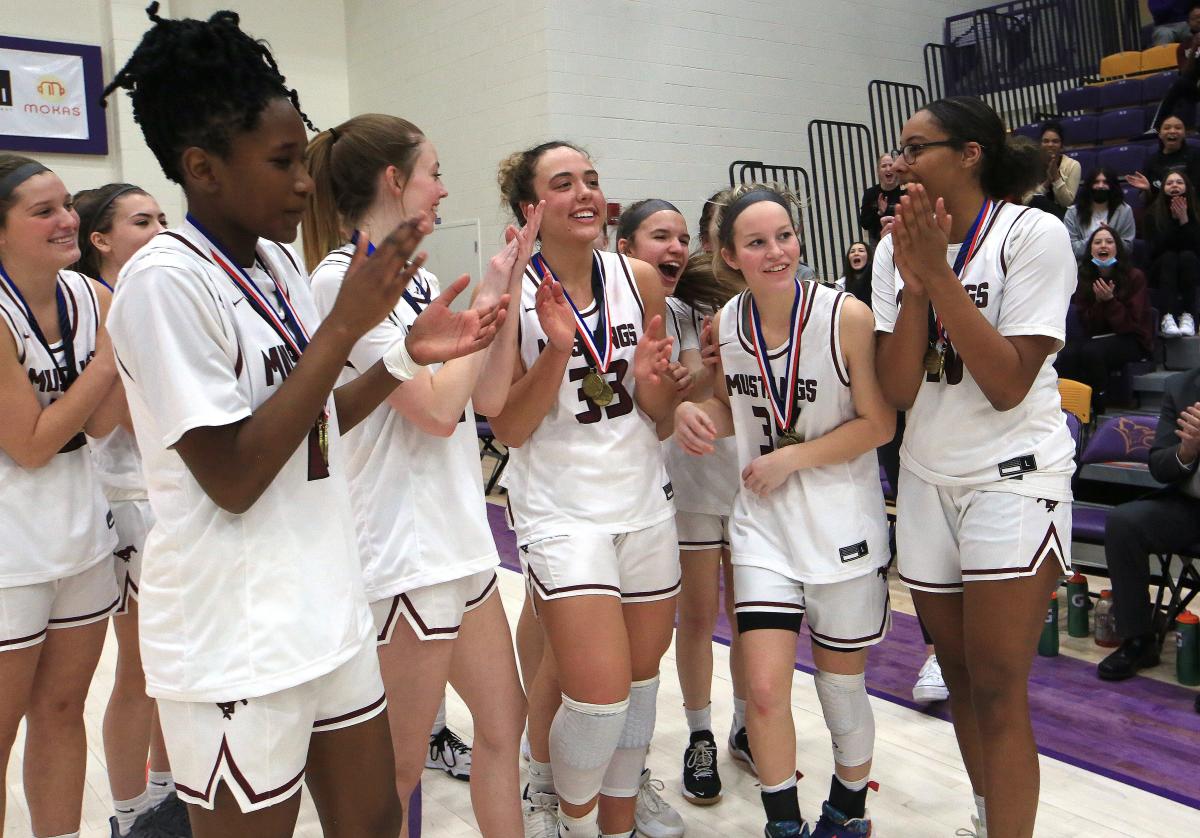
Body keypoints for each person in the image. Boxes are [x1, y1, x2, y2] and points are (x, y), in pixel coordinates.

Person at [101, 6, 503, 835]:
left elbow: (312, 423)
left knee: (375, 820)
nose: (304, 181)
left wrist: (401, 357)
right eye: (283, 162)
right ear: (202, 168)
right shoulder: (163, 281)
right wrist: (349, 329)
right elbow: (237, 476)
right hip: (233, 634)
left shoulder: (280, 262)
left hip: (329, 603)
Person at [303, 112, 538, 835]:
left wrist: (503, 287)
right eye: (433, 172)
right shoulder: (340, 280)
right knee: (398, 769)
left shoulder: (418, 279)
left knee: (506, 729)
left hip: (459, 539)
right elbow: (434, 410)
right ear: (394, 180)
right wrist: (473, 321)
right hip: (403, 552)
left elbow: (486, 400)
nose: (442, 188)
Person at [873, 96, 1077, 838]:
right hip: (928, 478)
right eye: (898, 148)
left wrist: (938, 274)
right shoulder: (903, 246)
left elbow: (1006, 382)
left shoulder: (1035, 234)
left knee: (997, 685)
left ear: (969, 155)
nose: (900, 165)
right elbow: (897, 391)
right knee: (958, 680)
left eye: (917, 147)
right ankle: (991, 819)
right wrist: (916, 280)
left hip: (1014, 473)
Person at [676, 183, 894, 838]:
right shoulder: (727, 325)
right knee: (765, 691)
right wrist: (696, 415)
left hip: (840, 525)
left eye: (785, 237)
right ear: (729, 255)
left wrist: (791, 460)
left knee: (839, 690)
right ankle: (782, 825)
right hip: (763, 526)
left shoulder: (845, 316)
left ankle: (847, 812)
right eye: (757, 242)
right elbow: (728, 407)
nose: (776, 252)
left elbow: (878, 425)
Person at [491, 141, 680, 838]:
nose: (585, 194)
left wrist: (666, 391)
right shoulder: (510, 292)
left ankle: (619, 821)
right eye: (563, 183)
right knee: (595, 698)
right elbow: (508, 425)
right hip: (561, 511)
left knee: (635, 687)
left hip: (643, 501)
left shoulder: (639, 277)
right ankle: (570, 815)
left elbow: (653, 414)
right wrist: (562, 350)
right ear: (529, 208)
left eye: (592, 180)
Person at [0, 153, 124, 838]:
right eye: (42, 211)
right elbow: (31, 444)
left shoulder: (92, 297)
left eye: (67, 205)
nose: (66, 220)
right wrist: (108, 360)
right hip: (8, 553)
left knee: (61, 711)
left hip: (81, 535)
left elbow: (102, 424)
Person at [615, 201, 748, 807]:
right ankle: (699, 734)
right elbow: (683, 392)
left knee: (754, 615)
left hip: (752, 474)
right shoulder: (680, 303)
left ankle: (746, 724)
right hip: (690, 473)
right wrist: (708, 372)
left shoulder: (781, 298)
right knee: (695, 617)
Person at [72, 182, 190, 836]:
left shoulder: (162, 298)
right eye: (142, 221)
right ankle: (129, 812)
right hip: (124, 504)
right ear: (101, 240)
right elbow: (104, 423)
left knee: (174, 667)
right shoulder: (100, 308)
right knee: (141, 670)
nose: (161, 229)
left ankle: (169, 802)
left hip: (173, 502)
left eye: (163, 217)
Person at [1098, 366, 1200, 680]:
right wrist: (1186, 450)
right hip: (1190, 505)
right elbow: (1159, 465)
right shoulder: (1182, 386)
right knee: (1124, 522)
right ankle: (1139, 640)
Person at [1054, 228, 1152, 413]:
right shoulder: (1084, 278)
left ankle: (1099, 408)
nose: (1103, 245)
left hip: (1131, 339)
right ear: (1090, 249)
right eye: (1097, 242)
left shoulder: (1134, 276)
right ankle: (1069, 410)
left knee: (1092, 351)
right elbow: (1088, 326)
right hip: (1097, 337)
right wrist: (1100, 303)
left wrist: (1110, 302)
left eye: (1109, 241)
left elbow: (1131, 325)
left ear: (1117, 248)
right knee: (1068, 352)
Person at [1145, 171, 1200, 336]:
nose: (1174, 185)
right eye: (1169, 183)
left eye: (1179, 182)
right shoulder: (1152, 214)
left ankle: (1188, 316)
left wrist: (1184, 220)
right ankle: (1167, 316)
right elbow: (1157, 248)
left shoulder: (1197, 211)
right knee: (1170, 256)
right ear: (1163, 189)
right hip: (1160, 268)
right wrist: (1174, 222)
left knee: (1187, 257)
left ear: (1187, 188)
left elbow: (1197, 248)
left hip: (1190, 266)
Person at [1148, 4, 1200, 130]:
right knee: (1178, 84)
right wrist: (1194, 48)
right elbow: (1184, 73)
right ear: (1188, 23)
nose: (1199, 20)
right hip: (1195, 88)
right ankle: (1156, 127)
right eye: (1195, 18)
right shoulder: (1183, 47)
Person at [1063, 168, 1136, 258]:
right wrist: (1096, 238)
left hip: (1115, 266)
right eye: (1096, 182)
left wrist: (1112, 235)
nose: (1101, 186)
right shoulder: (1072, 213)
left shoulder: (1125, 211)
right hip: (1083, 266)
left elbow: (1128, 249)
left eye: (1105, 182)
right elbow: (1071, 249)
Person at [1127, 115, 1200, 199]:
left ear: (1184, 134)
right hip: (1161, 209)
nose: (1172, 131)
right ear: (1160, 134)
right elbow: (1145, 199)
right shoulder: (1151, 161)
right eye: (1167, 128)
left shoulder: (1196, 155)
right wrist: (1146, 190)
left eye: (1178, 128)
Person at [1028, 122, 1079, 218]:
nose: (1050, 145)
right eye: (1046, 141)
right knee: (1038, 201)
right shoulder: (1032, 165)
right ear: (1040, 143)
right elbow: (1026, 200)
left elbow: (1066, 202)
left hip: (1062, 215)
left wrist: (1056, 175)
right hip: (1035, 215)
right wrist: (1047, 182)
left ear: (1061, 145)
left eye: (1055, 141)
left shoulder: (1073, 165)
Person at [859, 153, 903, 246]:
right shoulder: (870, 194)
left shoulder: (905, 191)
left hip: (904, 240)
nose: (888, 169)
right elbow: (864, 223)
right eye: (884, 166)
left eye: (891, 165)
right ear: (878, 172)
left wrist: (888, 210)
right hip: (878, 243)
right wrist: (879, 213)